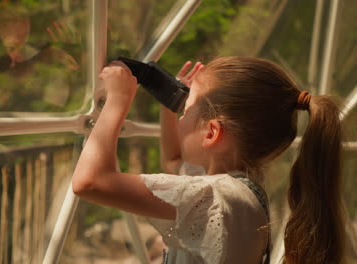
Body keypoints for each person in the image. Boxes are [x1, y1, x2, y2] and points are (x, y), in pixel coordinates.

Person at [72, 57, 346, 264]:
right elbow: (172, 161)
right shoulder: (236, 192)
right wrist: (173, 107)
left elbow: (91, 182)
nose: (181, 115)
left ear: (213, 132)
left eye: (186, 109)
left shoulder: (217, 197)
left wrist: (117, 100)